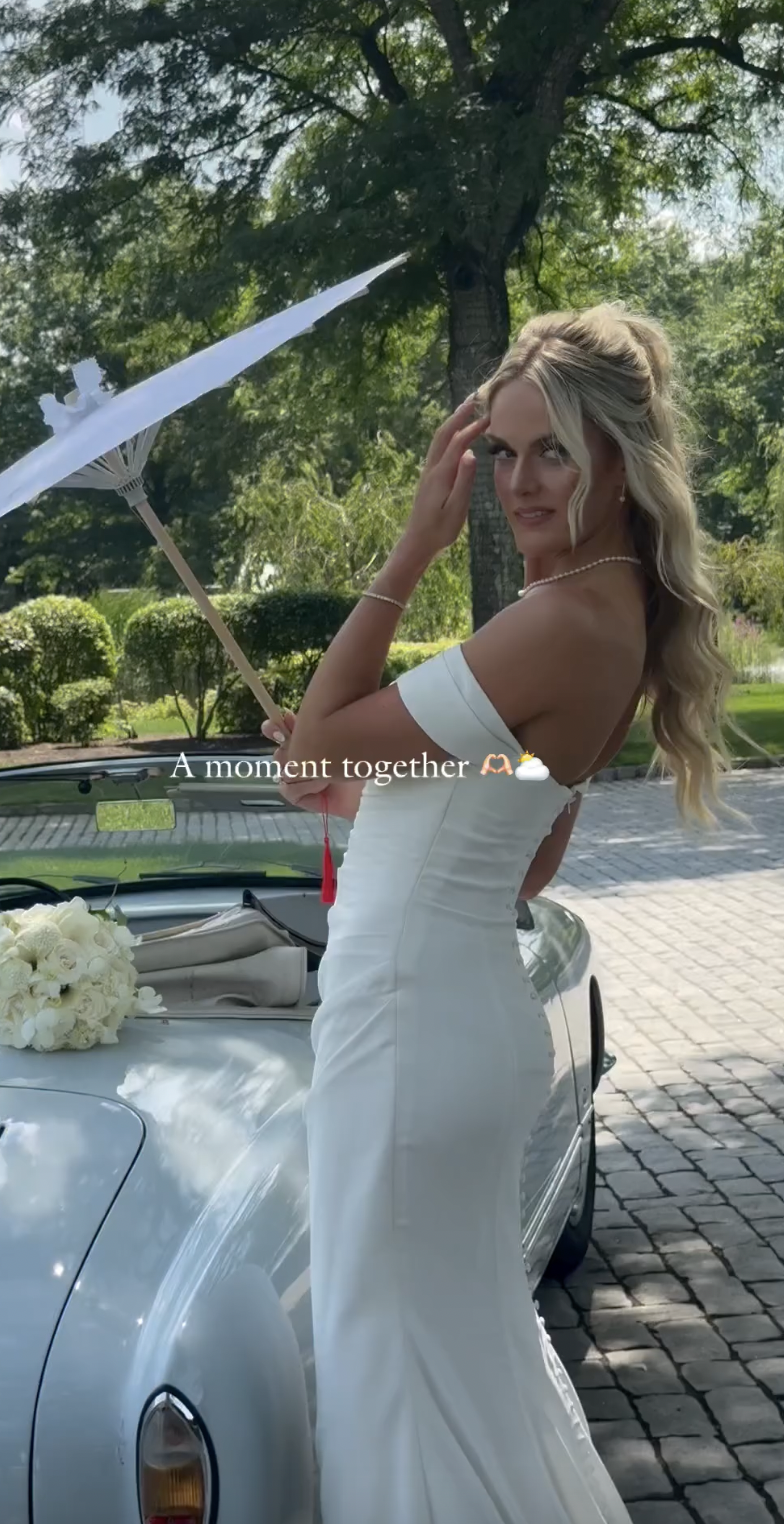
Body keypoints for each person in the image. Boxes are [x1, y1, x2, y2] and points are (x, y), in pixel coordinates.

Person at [262, 303, 743, 1524]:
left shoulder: (560, 619)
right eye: (501, 453)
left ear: (619, 465)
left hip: (414, 1026)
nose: (515, 483)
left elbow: (318, 737)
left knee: (398, 1368)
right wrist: (370, 778)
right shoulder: (602, 613)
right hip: (446, 1016)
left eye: (551, 453)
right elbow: (516, 843)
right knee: (447, 1360)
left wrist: (410, 547)